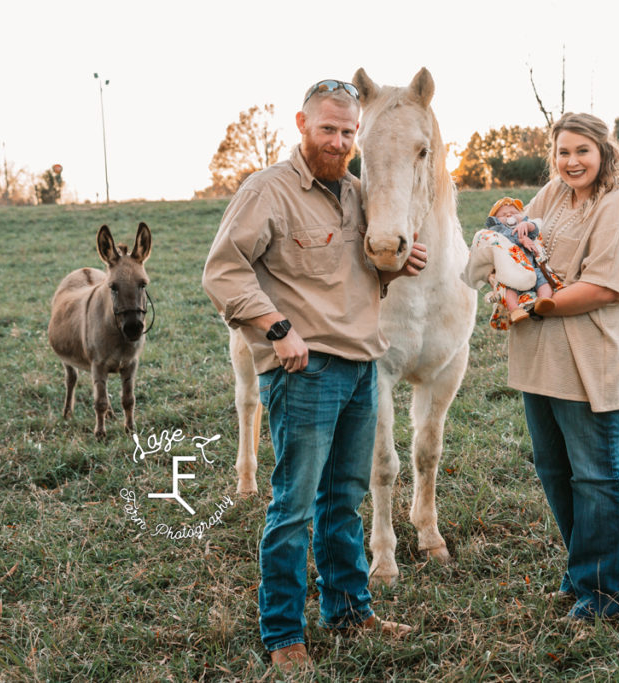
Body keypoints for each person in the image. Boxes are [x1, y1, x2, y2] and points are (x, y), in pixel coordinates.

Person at [202, 78, 424, 672]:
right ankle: (282, 634)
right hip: (304, 370)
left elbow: (351, 280)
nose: (340, 140)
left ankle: (349, 612)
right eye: (328, 128)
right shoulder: (267, 191)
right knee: (295, 506)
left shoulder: (358, 194)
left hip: (360, 366)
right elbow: (223, 272)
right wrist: (277, 329)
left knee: (343, 501)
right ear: (301, 125)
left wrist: (396, 273)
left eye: (349, 131)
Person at [510, 112, 619, 620]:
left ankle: (608, 594)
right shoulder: (552, 196)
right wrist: (504, 270)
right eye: (563, 152)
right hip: (542, 358)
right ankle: (581, 572)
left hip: (589, 358)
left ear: (604, 153)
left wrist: (540, 303)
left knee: (596, 476)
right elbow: (515, 246)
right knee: (555, 470)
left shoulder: (617, 209)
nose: (572, 162)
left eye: (582, 151)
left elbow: (607, 286)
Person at [483, 197, 556, 324]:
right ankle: (515, 310)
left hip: (532, 268)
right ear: (494, 219)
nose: (509, 215)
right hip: (511, 271)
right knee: (510, 291)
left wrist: (527, 225)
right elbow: (499, 240)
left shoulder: (525, 225)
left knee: (544, 283)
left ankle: (543, 301)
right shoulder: (496, 230)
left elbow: (535, 230)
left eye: (514, 212)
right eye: (503, 215)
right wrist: (520, 239)